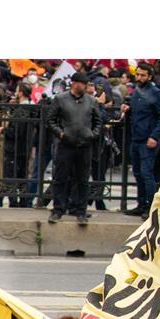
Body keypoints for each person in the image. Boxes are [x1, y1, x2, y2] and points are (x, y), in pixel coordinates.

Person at [47, 72, 103, 224]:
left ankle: (81, 211)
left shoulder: (91, 101)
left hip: (84, 144)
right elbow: (51, 120)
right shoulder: (60, 99)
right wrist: (61, 134)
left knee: (82, 180)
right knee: (61, 178)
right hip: (66, 144)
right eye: (80, 83)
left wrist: (93, 134)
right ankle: (58, 209)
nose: (83, 86)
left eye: (85, 84)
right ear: (74, 83)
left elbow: (98, 121)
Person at [121, 63, 160, 216]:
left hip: (147, 139)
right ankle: (141, 204)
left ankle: (150, 207)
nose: (139, 77)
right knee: (138, 173)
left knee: (146, 174)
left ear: (149, 76)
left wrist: (154, 136)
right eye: (138, 74)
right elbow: (137, 110)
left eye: (142, 75)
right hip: (136, 137)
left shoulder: (155, 93)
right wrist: (127, 109)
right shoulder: (136, 91)